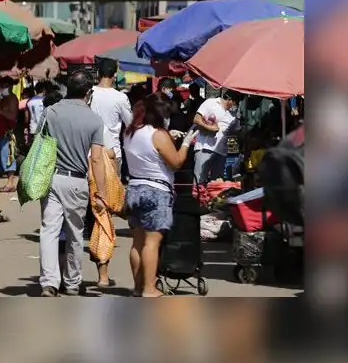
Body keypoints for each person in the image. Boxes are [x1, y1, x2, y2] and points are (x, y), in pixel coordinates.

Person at [38, 71, 107, 297]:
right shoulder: (94, 120)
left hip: (51, 177)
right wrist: (101, 193)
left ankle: (49, 282)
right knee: (75, 234)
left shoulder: (50, 112)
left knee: (49, 230)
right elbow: (96, 159)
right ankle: (72, 283)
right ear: (88, 92)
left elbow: (38, 143)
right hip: (77, 181)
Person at [122, 94, 197, 297]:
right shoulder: (158, 134)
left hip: (134, 187)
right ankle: (149, 288)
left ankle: (138, 287)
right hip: (156, 191)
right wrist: (186, 143)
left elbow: (148, 153)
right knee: (152, 242)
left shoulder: (130, 133)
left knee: (137, 242)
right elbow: (176, 162)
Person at [86, 58, 133, 288]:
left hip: (86, 157)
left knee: (90, 213)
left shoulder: (88, 94)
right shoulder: (120, 98)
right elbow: (131, 124)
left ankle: (75, 271)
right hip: (110, 158)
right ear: (114, 74)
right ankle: (103, 275)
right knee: (103, 212)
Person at [192, 90, 243, 184]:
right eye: (236, 103)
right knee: (200, 181)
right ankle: (198, 198)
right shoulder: (211, 103)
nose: (236, 106)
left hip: (221, 153)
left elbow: (235, 134)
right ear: (230, 100)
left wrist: (234, 155)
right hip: (205, 148)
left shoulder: (233, 115)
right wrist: (210, 128)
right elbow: (196, 119)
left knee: (217, 184)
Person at [0, 89, 20, 192]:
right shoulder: (5, 99)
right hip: (0, 133)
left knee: (9, 158)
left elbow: (12, 116)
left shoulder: (12, 99)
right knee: (3, 159)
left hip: (6, 133)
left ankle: (10, 183)